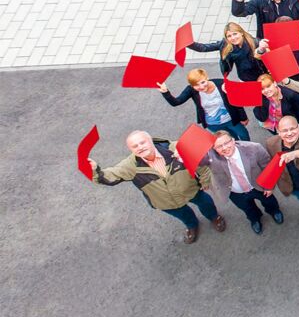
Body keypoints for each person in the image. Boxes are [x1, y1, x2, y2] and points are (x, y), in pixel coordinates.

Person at [89, 130, 225, 244]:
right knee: (183, 214)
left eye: (142, 142)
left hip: (190, 189)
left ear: (151, 141)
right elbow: (108, 176)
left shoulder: (177, 148)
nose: (140, 147)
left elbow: (200, 162)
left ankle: (214, 217)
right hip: (165, 201)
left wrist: (205, 181)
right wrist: (95, 170)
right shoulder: (130, 166)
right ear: (130, 150)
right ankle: (192, 225)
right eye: (135, 146)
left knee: (205, 203)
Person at [202, 131, 283, 235]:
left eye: (226, 143)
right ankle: (255, 219)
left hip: (258, 185)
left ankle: (274, 211)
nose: (224, 148)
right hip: (235, 192)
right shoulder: (211, 158)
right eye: (219, 146)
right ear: (214, 149)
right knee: (247, 208)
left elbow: (267, 166)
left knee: (269, 201)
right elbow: (199, 161)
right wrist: (182, 157)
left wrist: (269, 186)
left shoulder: (254, 148)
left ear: (233, 140)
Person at [159, 68, 249, 141]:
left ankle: (249, 150)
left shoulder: (221, 83)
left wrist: (243, 117)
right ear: (191, 85)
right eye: (196, 85)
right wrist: (165, 92)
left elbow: (237, 101)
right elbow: (176, 102)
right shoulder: (191, 90)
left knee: (244, 135)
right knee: (231, 139)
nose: (201, 87)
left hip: (231, 119)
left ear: (207, 78)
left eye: (203, 82)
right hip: (213, 124)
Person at [186, 22, 266, 83]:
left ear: (241, 33)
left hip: (261, 75)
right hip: (244, 77)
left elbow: (266, 56)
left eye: (235, 34)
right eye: (229, 36)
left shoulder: (255, 42)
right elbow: (204, 48)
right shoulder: (225, 45)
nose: (233, 38)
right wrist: (188, 43)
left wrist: (262, 48)